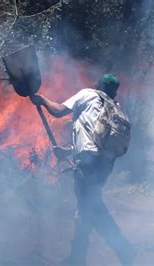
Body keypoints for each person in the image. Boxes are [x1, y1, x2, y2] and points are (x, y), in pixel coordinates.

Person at [30, 74, 134, 266]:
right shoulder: (113, 107)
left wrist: (42, 99)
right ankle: (118, 250)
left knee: (86, 211)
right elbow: (97, 143)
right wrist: (69, 152)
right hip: (103, 166)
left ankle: (88, 257)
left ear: (98, 85)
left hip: (87, 165)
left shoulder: (88, 94)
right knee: (91, 208)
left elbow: (59, 110)